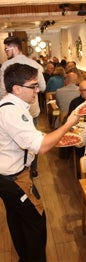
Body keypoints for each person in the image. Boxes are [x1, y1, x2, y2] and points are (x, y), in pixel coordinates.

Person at [0, 63, 79, 262]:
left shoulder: (10, 106)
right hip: (13, 178)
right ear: (16, 88)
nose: (38, 90)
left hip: (6, 175)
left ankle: (25, 259)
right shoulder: (12, 112)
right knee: (36, 219)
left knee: (16, 216)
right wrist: (68, 124)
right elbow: (41, 147)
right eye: (33, 86)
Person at [0, 35, 46, 178]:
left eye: (6, 49)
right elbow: (43, 87)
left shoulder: (7, 67)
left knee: (18, 144)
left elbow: (2, 91)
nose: (6, 52)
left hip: (13, 108)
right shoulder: (35, 64)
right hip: (33, 109)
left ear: (14, 48)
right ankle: (33, 169)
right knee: (33, 138)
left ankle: (20, 171)